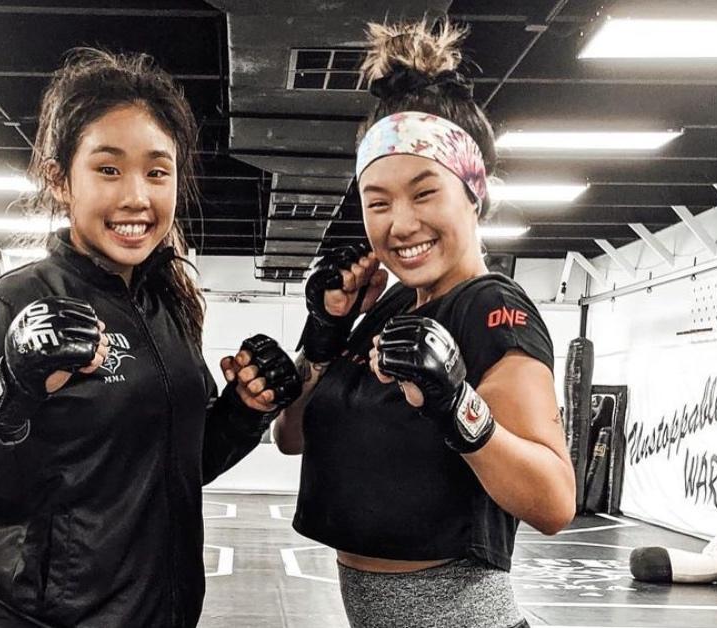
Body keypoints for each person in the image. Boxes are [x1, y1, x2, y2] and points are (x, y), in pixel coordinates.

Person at [0, 48, 301, 628]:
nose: (137, 197)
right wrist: (10, 386)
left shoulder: (168, 307)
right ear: (61, 180)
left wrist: (242, 410)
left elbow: (178, 462)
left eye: (157, 171)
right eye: (109, 169)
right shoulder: (6, 306)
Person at [272, 21, 576, 628]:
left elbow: (554, 502)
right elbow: (292, 436)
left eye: (424, 193)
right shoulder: (389, 306)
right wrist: (325, 334)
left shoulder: (491, 310)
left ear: (472, 193)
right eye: (377, 202)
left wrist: (456, 404)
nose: (400, 224)